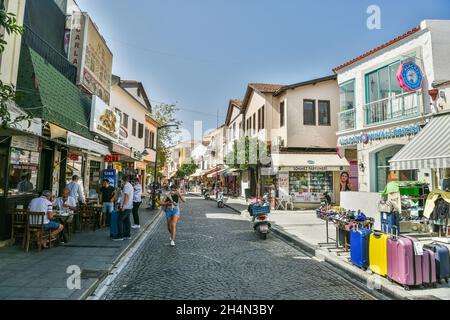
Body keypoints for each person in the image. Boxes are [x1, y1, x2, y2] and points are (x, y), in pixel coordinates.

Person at [114, 175, 134, 241]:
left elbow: (126, 196)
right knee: (127, 220)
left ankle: (120, 236)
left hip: (126, 206)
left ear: (123, 180)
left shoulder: (127, 186)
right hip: (129, 206)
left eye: (121, 181)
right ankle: (127, 235)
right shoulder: (130, 185)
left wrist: (123, 206)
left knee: (119, 220)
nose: (121, 182)